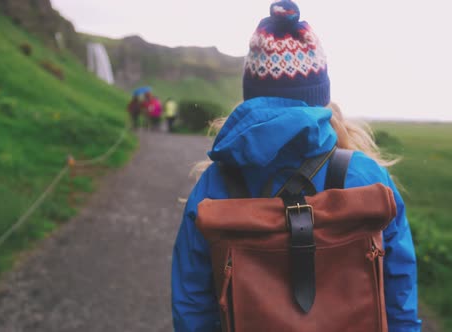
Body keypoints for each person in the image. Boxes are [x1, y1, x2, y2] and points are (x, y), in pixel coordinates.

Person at [171, 1, 421, 331]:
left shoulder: (215, 183)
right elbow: (398, 293)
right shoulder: (368, 177)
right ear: (321, 97)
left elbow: (193, 301)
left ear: (251, 95)